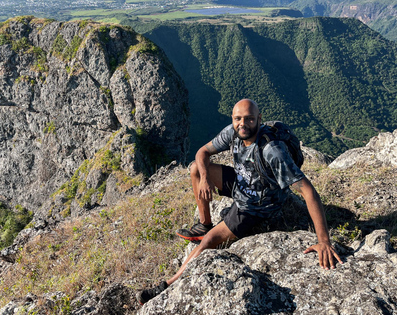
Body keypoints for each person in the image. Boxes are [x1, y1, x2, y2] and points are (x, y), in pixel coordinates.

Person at [137, 99, 343, 305]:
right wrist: (205, 178)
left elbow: (309, 192)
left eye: (249, 119)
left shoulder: (272, 151)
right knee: (195, 170)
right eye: (238, 119)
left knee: (209, 241)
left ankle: (167, 284)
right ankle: (204, 223)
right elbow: (202, 152)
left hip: (256, 205)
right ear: (233, 119)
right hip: (240, 184)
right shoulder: (233, 132)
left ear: (259, 120)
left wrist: (324, 241)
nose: (242, 124)